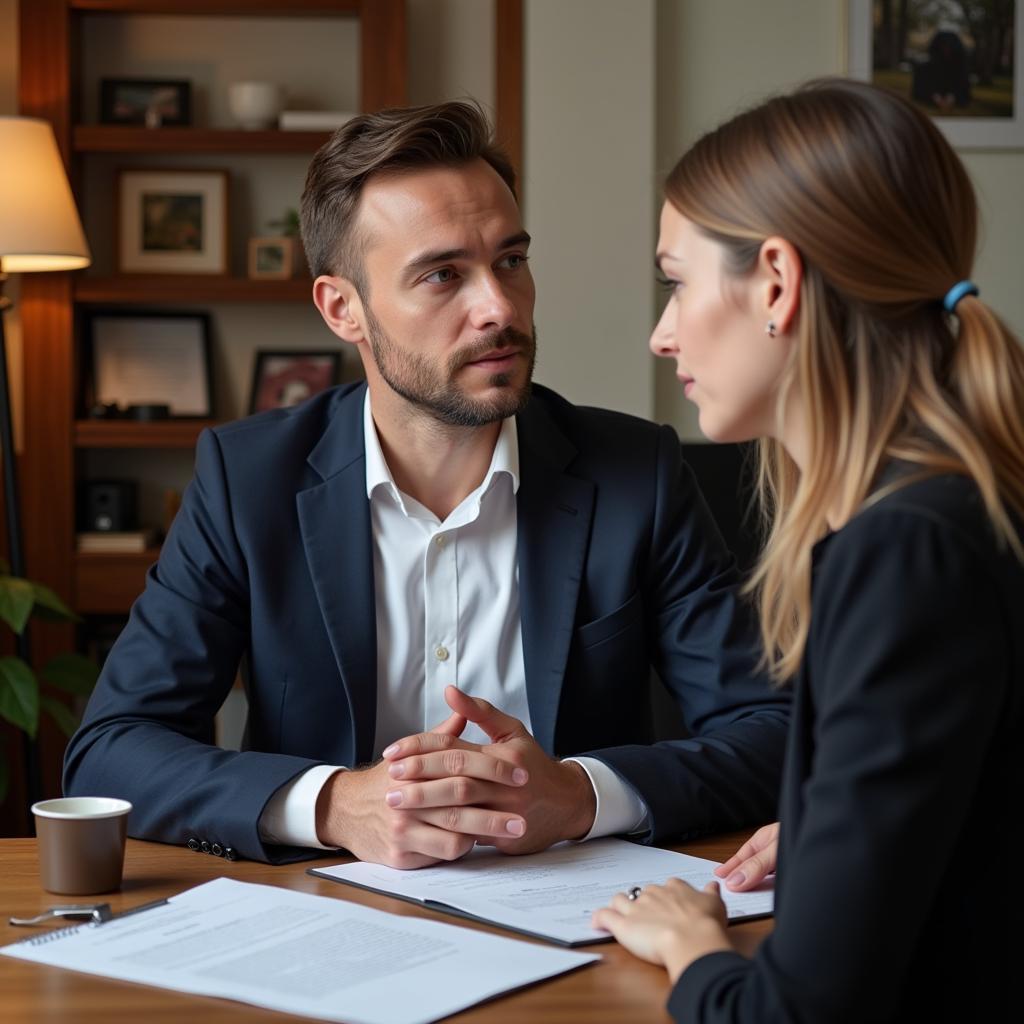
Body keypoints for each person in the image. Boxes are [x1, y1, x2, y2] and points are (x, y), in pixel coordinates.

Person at [64, 101, 790, 867]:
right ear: (343, 308)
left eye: (510, 260)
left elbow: (771, 735)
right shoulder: (249, 481)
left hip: (576, 922)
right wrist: (337, 805)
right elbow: (111, 750)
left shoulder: (634, 472)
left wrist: (578, 794)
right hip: (320, 921)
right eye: (443, 275)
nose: (500, 308)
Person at [591, 78, 1023, 1022]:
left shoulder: (905, 554)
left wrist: (694, 948)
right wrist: (848, 832)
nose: (663, 335)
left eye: (677, 280)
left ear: (777, 283)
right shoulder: (963, 504)